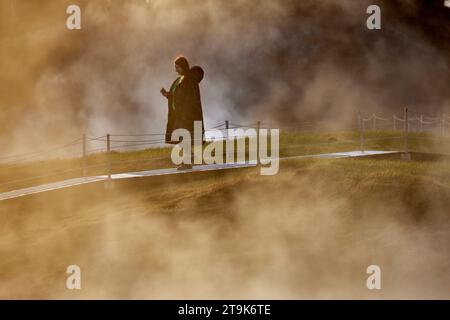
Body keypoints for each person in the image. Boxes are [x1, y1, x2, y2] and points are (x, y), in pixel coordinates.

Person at [160, 56, 205, 169]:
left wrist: (185, 114)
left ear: (183, 66)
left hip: (187, 117)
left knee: (185, 139)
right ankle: (190, 158)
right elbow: (177, 96)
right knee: (181, 138)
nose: (175, 70)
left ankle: (187, 162)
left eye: (177, 67)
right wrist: (167, 95)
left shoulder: (190, 81)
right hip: (179, 116)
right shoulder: (180, 80)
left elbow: (190, 100)